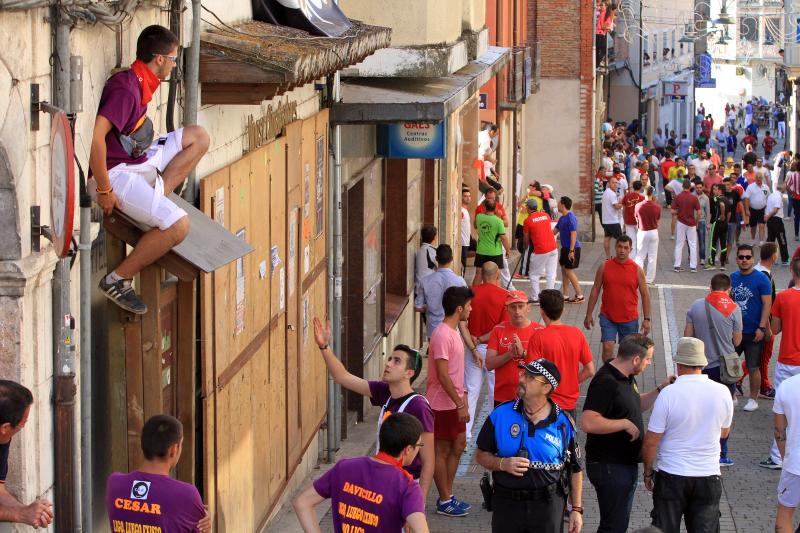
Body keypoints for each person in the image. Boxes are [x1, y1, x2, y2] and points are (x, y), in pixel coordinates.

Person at [91, 25, 209, 314]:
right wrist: (104, 189)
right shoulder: (126, 90)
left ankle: (158, 195)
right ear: (158, 59)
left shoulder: (140, 82)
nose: (173, 65)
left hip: (139, 161)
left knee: (198, 137)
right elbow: (95, 138)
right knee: (178, 226)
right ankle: (117, 280)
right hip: (116, 173)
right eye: (172, 59)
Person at [312, 318, 434, 496]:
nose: (388, 363)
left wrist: (419, 503)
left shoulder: (418, 406)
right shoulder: (385, 392)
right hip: (383, 480)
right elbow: (343, 377)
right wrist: (324, 347)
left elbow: (429, 460)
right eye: (390, 358)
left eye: (397, 361)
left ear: (409, 373)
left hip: (405, 485)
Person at [475, 359, 584, 533]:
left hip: (548, 506)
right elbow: (480, 454)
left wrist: (576, 510)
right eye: (523, 374)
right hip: (506, 505)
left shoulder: (563, 423)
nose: (521, 379)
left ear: (546, 388)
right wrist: (502, 464)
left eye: (530, 377)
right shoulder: (501, 414)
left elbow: (575, 469)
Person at [582, 335, 674, 533]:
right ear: (635, 359)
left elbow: (634, 404)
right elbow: (588, 422)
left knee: (618, 525)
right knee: (613, 527)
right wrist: (623, 423)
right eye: (648, 359)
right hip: (609, 466)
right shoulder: (606, 381)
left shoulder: (626, 377)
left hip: (622, 464)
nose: (650, 363)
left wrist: (660, 389)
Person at [642, 337, 733, 533]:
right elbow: (724, 432)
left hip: (671, 475)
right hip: (708, 476)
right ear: (702, 363)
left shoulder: (669, 394)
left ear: (679, 363)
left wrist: (648, 472)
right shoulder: (723, 392)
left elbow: (651, 442)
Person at [293, 413, 429, 533]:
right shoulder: (407, 487)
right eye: (419, 445)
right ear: (408, 449)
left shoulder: (344, 468)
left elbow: (302, 503)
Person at [106, 414, 210, 532]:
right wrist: (206, 523)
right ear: (173, 450)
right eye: (181, 445)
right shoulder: (187, 495)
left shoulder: (115, 483)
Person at [684, 274, 742, 465]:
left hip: (701, 367)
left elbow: (688, 337)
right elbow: (737, 341)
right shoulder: (734, 308)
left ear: (710, 287)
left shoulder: (696, 306)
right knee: (724, 410)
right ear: (729, 289)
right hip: (724, 368)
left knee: (699, 409)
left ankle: (698, 449)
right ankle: (721, 453)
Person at [427, 286, 474, 516]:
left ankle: (448, 494)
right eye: (468, 306)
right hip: (442, 404)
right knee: (442, 450)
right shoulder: (443, 335)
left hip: (455, 400)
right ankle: (445, 499)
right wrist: (459, 403)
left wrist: (462, 397)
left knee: (459, 445)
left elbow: (455, 373)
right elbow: (443, 375)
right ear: (459, 308)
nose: (471, 309)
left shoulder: (455, 331)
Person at [584, 235, 652, 362]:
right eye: (620, 247)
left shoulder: (637, 270)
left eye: (626, 248)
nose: (622, 250)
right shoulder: (604, 266)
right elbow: (595, 290)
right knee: (607, 346)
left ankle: (625, 378)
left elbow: (645, 295)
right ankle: (608, 376)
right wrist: (588, 314)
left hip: (629, 319)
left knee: (628, 353)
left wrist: (647, 319)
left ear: (630, 250)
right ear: (615, 247)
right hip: (608, 316)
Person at [760, 257, 800, 470]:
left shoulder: (783, 297)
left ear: (792, 271)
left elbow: (774, 330)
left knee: (783, 412)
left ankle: (778, 457)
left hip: (787, 360)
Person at [528, 289, 595, 416]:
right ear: (562, 310)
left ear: (542, 311)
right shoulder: (577, 334)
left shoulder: (538, 337)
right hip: (569, 405)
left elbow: (532, 375)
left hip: (546, 404)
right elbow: (590, 370)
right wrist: (573, 382)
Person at [464, 261, 509, 439]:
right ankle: (494, 435)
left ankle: (466, 435)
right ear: (498, 275)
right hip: (493, 351)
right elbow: (502, 327)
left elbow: (462, 321)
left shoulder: (471, 293)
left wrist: (474, 340)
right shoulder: (505, 296)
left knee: (471, 390)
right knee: (493, 392)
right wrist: (483, 338)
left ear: (481, 275)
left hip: (472, 348)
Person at [0, 381, 53, 528]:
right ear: (5, 427)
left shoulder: (3, 437)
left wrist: (26, 510)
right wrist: (19, 514)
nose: (23, 426)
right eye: (22, 424)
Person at [730, 244, 773, 412]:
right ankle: (731, 395)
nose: (744, 260)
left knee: (754, 366)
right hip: (736, 331)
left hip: (754, 331)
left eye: (748, 257)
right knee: (730, 365)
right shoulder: (732, 277)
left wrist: (762, 328)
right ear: (737, 259)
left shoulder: (762, 279)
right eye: (741, 257)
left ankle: (753, 399)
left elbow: (767, 305)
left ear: (753, 259)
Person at [485, 291, 542, 406]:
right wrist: (509, 354)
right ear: (506, 309)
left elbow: (545, 366)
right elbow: (489, 364)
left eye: (521, 306)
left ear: (528, 307)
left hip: (532, 397)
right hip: (503, 397)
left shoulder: (540, 331)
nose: (517, 311)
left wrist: (524, 353)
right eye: (513, 307)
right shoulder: (498, 330)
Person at [415, 244, 467, 338]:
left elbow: (418, 307)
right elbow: (466, 305)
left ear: (436, 258)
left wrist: (428, 308)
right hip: (453, 329)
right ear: (451, 259)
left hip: (433, 329)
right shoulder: (460, 281)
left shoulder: (425, 281)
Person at [773, 370, 800, 532]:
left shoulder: (787, 386)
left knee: (784, 515)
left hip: (795, 464)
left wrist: (786, 459)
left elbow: (779, 431)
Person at [523, 200, 558, 304]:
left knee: (534, 274)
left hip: (541, 249)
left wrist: (525, 248)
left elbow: (526, 239)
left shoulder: (528, 220)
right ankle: (550, 298)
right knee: (551, 274)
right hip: (553, 247)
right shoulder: (545, 215)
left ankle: (535, 298)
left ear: (529, 208)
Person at [473, 200, 511, 287]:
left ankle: (474, 296)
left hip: (481, 251)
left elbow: (475, 225)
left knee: (478, 274)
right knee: (496, 276)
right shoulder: (499, 221)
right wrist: (508, 250)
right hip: (495, 252)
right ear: (496, 208)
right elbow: (503, 238)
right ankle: (496, 298)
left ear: (485, 207)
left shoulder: (479, 217)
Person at [555, 196, 584, 302]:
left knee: (569, 271)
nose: (557, 205)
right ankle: (565, 295)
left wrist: (571, 251)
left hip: (572, 248)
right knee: (564, 271)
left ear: (562, 204)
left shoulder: (570, 217)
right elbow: (554, 231)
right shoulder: (562, 218)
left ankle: (580, 295)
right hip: (565, 248)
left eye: (558, 203)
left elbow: (573, 234)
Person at [671, 179, 701, 273]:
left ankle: (677, 266)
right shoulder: (694, 198)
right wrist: (696, 221)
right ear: (690, 187)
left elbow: (672, 211)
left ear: (682, 186)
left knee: (679, 244)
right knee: (692, 244)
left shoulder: (678, 197)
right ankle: (693, 267)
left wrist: (679, 212)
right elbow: (699, 212)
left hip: (681, 222)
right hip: (691, 223)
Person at [634, 186, 661, 285]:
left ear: (644, 193)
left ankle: (638, 277)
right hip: (653, 231)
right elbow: (658, 221)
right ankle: (649, 280)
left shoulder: (638, 206)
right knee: (652, 257)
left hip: (642, 231)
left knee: (640, 256)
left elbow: (636, 218)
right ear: (652, 194)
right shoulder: (657, 207)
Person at [707, 184, 730, 271]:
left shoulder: (718, 198)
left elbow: (722, 205)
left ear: (720, 190)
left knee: (713, 243)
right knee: (723, 244)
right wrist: (726, 220)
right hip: (724, 224)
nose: (714, 191)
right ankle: (722, 264)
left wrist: (722, 215)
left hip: (717, 223)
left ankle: (711, 263)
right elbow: (730, 213)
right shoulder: (727, 200)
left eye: (715, 189)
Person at [766, 182, 790, 263]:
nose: (786, 189)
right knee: (782, 239)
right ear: (783, 188)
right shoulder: (778, 197)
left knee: (770, 240)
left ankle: (769, 258)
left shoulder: (771, 195)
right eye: (785, 187)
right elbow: (775, 209)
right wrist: (768, 216)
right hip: (776, 220)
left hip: (770, 221)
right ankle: (785, 259)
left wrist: (767, 216)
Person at [743, 172, 770, 245]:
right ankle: (753, 240)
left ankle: (761, 242)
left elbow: (768, 198)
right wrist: (747, 209)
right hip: (752, 210)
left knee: (762, 225)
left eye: (760, 177)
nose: (758, 179)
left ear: (762, 178)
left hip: (762, 210)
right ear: (755, 178)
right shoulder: (750, 187)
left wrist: (768, 210)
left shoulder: (766, 187)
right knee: (753, 227)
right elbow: (746, 199)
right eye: (757, 177)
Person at [622, 180, 645, 259]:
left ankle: (631, 259)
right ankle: (639, 258)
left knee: (631, 241)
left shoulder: (627, 196)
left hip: (629, 221)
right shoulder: (643, 198)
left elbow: (624, 209)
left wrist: (624, 220)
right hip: (639, 222)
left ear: (633, 187)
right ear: (641, 187)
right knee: (640, 241)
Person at [601, 176, 623, 259]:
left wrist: (619, 203)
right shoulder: (611, 193)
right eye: (613, 182)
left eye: (616, 183)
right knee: (621, 240)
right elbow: (616, 206)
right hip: (613, 221)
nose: (615, 184)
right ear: (609, 183)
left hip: (606, 221)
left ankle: (608, 257)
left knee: (607, 238)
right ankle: (619, 257)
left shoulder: (606, 192)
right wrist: (623, 204)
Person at [693, 179, 710, 267]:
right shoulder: (692, 196)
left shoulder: (706, 198)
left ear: (703, 188)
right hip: (692, 221)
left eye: (700, 187)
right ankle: (691, 256)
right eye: (697, 188)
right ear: (695, 188)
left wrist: (707, 224)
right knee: (691, 241)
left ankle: (702, 258)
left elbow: (707, 211)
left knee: (702, 241)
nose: (699, 189)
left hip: (702, 221)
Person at [415, 224, 438, 289]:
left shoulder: (420, 250)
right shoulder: (431, 250)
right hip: (427, 288)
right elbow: (442, 267)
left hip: (419, 287)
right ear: (434, 238)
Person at [785, 162, 800, 242]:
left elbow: (787, 185)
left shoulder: (793, 175)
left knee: (797, 216)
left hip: (796, 198)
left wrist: (792, 193)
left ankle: (797, 235)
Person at [460, 187, 473, 276]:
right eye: (465, 196)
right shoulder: (461, 210)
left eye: (469, 196)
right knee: (462, 265)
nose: (468, 198)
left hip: (467, 240)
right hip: (462, 242)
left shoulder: (465, 210)